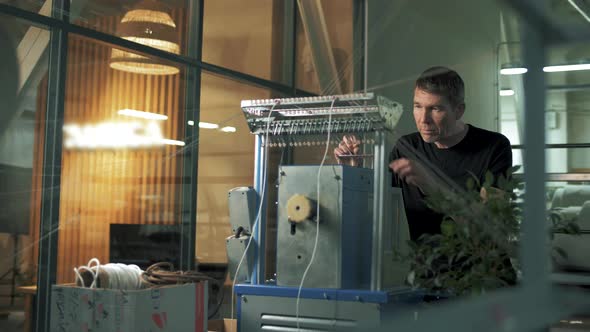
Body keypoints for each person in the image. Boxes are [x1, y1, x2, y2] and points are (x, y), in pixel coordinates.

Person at [334, 66, 512, 241]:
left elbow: (488, 227)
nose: (423, 119)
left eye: (435, 109)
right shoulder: (406, 147)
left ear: (459, 110)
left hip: (482, 269)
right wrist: (354, 172)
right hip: (425, 267)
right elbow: (376, 211)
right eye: (418, 106)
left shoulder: (494, 146)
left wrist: (431, 186)